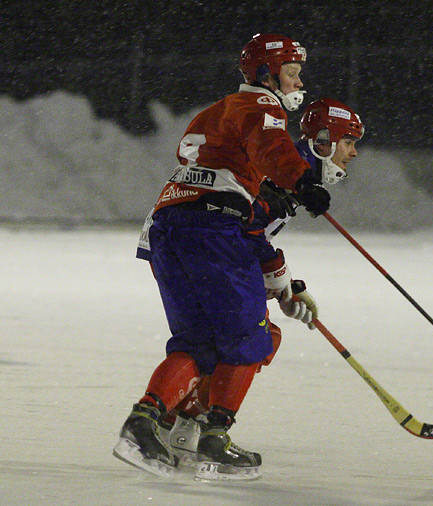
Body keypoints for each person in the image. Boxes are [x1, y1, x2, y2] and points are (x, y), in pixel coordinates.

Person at [112, 33, 331, 482]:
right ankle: (214, 439)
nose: (297, 81)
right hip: (213, 229)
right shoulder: (261, 107)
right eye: (292, 72)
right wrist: (301, 181)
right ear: (268, 73)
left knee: (199, 344)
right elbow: (271, 146)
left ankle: (144, 423)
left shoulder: (217, 109)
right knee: (252, 338)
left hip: (167, 230)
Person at [156, 97, 365, 470]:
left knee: (228, 340)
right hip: (199, 245)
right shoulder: (285, 173)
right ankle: (190, 424)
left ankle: (179, 424)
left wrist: (288, 286)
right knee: (251, 339)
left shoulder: (292, 172)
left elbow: (252, 236)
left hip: (180, 242)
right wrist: (280, 278)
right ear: (324, 140)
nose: (352, 153)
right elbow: (246, 228)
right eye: (348, 142)